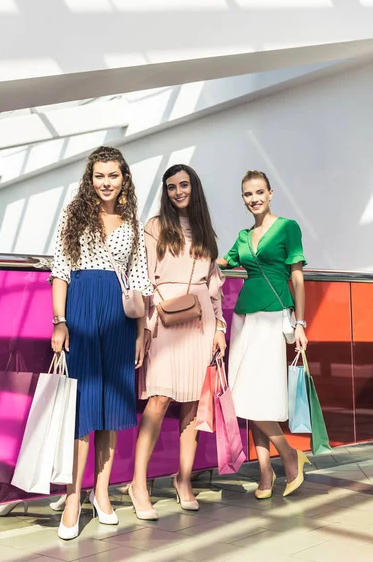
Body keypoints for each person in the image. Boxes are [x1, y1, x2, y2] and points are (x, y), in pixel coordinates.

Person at [50, 146, 152, 539]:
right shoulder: (73, 215)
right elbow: (60, 269)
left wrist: (142, 332)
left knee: (111, 407)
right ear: (90, 179)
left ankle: (102, 492)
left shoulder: (130, 220)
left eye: (113, 175)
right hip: (81, 308)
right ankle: (74, 496)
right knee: (83, 407)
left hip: (119, 316)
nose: (106, 182)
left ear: (123, 177)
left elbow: (139, 279)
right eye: (99, 176)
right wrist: (60, 321)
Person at [128, 164, 227, 520]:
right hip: (165, 321)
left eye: (184, 185)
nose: (178, 191)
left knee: (192, 405)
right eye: (171, 187)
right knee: (158, 400)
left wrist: (220, 329)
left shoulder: (206, 232)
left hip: (200, 323)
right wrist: (147, 326)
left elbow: (214, 289)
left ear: (194, 187)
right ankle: (138, 483)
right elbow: (142, 278)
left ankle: (183, 479)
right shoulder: (155, 227)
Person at [218, 170, 310, 499]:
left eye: (259, 192)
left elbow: (297, 279)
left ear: (270, 193)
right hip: (244, 319)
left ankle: (287, 454)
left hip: (273, 318)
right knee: (245, 395)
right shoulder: (243, 237)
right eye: (247, 194)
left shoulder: (288, 228)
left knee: (260, 396)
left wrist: (300, 323)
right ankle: (265, 472)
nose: (254, 198)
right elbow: (219, 262)